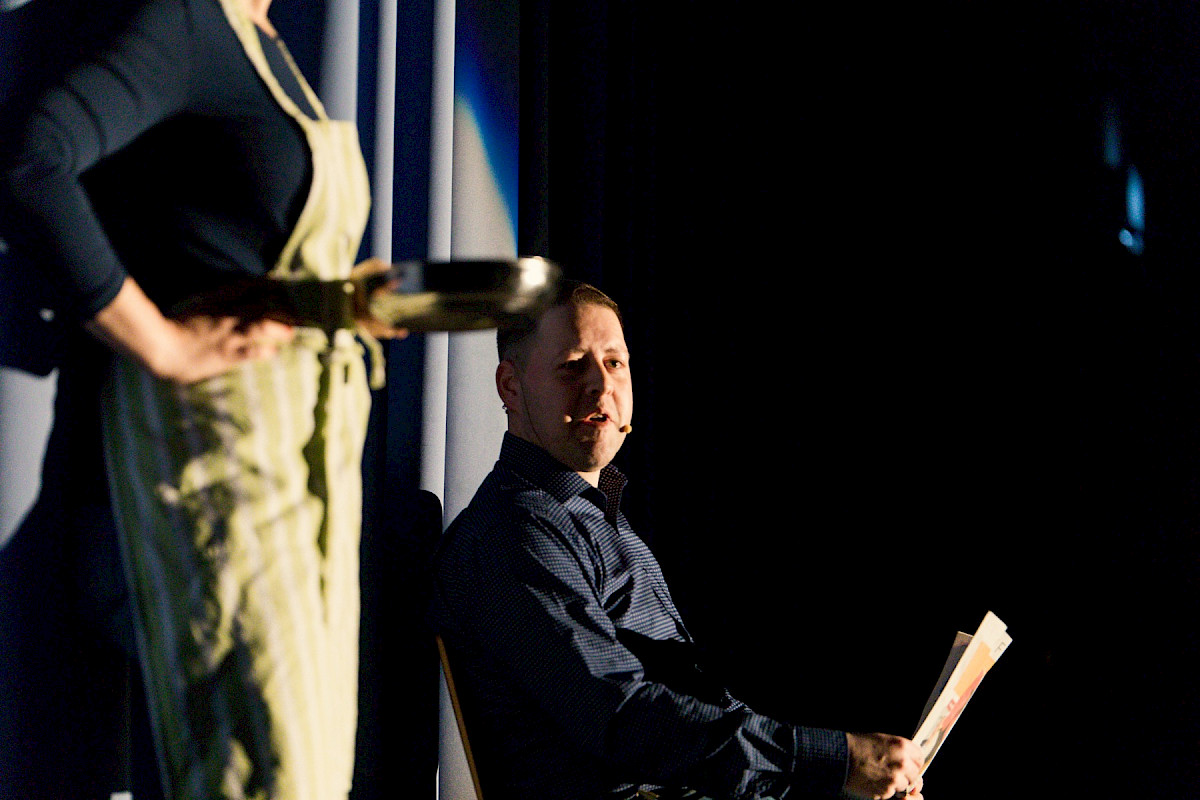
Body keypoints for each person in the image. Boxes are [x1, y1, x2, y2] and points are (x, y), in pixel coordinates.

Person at [0, 0, 402, 797]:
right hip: (215, 463)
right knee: (263, 770)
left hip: (300, 460)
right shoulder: (185, 21)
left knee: (303, 765)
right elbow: (31, 158)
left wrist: (339, 301)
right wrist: (161, 342)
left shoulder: (263, 40)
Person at [429, 281, 927, 800]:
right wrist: (832, 763)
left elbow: (699, 707)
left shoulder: (598, 517)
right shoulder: (514, 532)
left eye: (615, 363)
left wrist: (837, 780)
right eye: (572, 366)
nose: (601, 385)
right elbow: (622, 719)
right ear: (510, 387)